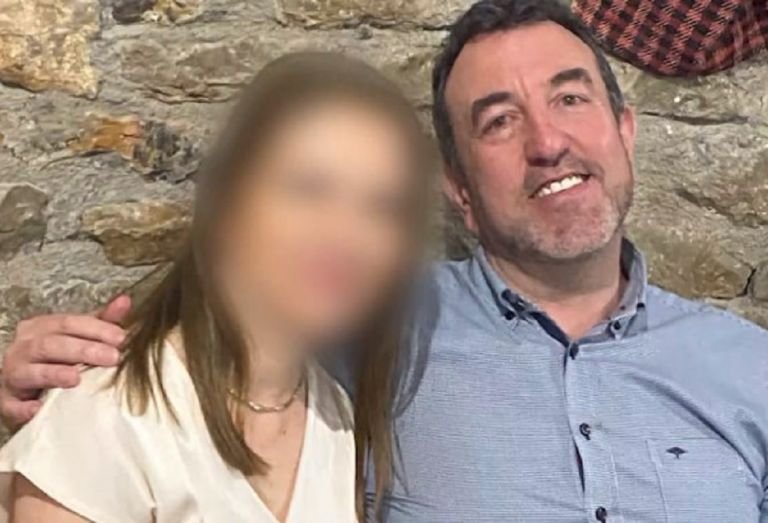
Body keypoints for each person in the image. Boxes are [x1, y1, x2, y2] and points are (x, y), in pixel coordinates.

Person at [3, 1, 768, 522]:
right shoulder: (370, 325)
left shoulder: (748, 367)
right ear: (458, 188)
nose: (547, 142)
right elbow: (207, 357)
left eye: (571, 99)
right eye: (499, 121)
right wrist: (41, 379)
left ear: (625, 128)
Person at [0, 51, 432, 522]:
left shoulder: (335, 419)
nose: (345, 234)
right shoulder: (109, 416)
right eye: (309, 188)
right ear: (226, 201)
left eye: (383, 207)